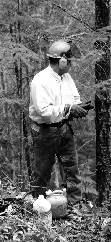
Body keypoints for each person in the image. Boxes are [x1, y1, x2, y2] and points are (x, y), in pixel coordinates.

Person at [29, 40, 90, 205]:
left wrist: (78, 108)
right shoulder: (40, 80)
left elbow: (75, 98)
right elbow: (43, 111)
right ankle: (39, 206)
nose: (70, 64)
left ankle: (75, 205)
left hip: (64, 127)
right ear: (62, 60)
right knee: (42, 172)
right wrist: (68, 108)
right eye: (69, 61)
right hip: (45, 131)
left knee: (72, 170)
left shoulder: (67, 77)